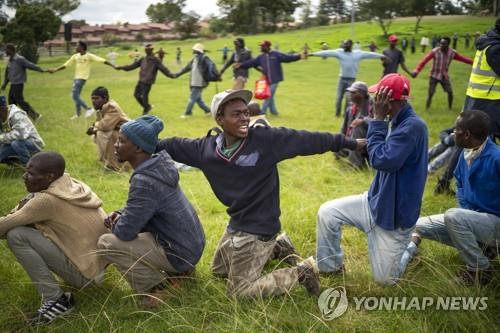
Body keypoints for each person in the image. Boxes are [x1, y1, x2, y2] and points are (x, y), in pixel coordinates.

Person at [156, 89, 365, 298]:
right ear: (220, 118)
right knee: (219, 272)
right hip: (237, 223)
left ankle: (302, 273)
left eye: (246, 112)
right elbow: (172, 145)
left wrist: (351, 143)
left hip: (260, 227)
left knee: (238, 292)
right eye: (236, 114)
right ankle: (279, 247)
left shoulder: (265, 140)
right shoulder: (205, 149)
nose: (245, 118)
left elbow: (308, 139)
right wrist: (140, 141)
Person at [316, 74, 428, 284]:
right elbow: (382, 151)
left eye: (379, 96)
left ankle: (411, 244)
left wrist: (377, 120)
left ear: (390, 99)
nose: (376, 100)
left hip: (393, 218)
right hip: (374, 203)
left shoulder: (412, 127)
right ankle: (331, 268)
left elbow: (382, 161)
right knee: (327, 212)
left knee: (385, 280)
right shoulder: (397, 122)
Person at [97, 115, 205, 307]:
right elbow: (148, 206)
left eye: (121, 140)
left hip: (179, 253)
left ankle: (157, 288)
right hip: (190, 245)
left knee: (107, 242)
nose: (115, 144)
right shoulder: (159, 165)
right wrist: (122, 214)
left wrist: (117, 222)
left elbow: (125, 232)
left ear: (138, 148)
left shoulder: (145, 180)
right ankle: (181, 274)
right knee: (129, 228)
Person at [0, 152, 107, 324]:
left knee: (16, 235)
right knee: (27, 228)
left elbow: (3, 227)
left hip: (86, 276)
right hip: (100, 266)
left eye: (31, 173)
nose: (24, 176)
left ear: (50, 176)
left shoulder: (46, 200)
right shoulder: (69, 183)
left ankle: (55, 299)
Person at [400, 110, 499, 285]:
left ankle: (480, 270)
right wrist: (471, 214)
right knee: (419, 225)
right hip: (475, 220)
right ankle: (484, 248)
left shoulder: (496, 157)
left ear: (467, 134)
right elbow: (460, 185)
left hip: (496, 224)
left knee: (454, 216)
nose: (453, 133)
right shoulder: (465, 153)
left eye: (456, 129)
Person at [310, 39, 385, 117]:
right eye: (344, 44)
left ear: (351, 45)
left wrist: (382, 56)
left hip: (351, 80)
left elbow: (369, 54)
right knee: (339, 98)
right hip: (342, 79)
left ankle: (346, 114)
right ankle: (337, 114)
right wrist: (313, 54)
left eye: (347, 44)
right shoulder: (340, 52)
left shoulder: (357, 54)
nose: (345, 46)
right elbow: (327, 52)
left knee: (349, 99)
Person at [49, 41, 115, 120]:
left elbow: (102, 60)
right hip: (76, 78)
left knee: (74, 95)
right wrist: (55, 69)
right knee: (77, 96)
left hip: (82, 78)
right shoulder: (75, 56)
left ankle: (88, 109)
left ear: (82, 47)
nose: (75, 47)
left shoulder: (89, 56)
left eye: (77, 46)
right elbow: (66, 65)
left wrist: (113, 66)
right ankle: (78, 114)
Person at [236, 40, 304, 116]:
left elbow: (288, 58)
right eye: (261, 46)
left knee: (268, 95)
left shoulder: (276, 54)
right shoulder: (261, 57)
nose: (261, 48)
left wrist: (298, 56)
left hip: (275, 79)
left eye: (262, 46)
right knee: (270, 95)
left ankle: (262, 112)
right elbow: (251, 63)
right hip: (266, 80)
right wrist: (241, 65)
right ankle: (274, 112)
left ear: (267, 46)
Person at [412, 37, 473, 111]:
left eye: (443, 44)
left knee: (450, 92)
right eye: (440, 43)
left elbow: (464, 59)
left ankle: (450, 109)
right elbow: (424, 61)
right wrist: (416, 70)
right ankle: (427, 109)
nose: (441, 45)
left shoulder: (452, 53)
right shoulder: (435, 51)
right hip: (434, 75)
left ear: (448, 45)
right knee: (430, 93)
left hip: (444, 76)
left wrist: (474, 63)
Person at [464, 18, 500, 141]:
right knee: (477, 143)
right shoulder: (495, 49)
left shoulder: (488, 43)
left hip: (478, 99)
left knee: (472, 142)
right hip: (488, 103)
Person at [115, 44, 175, 115]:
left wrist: (171, 75)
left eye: (147, 49)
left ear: (151, 50)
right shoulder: (143, 59)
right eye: (145, 49)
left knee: (144, 96)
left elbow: (163, 68)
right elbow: (132, 66)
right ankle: (147, 107)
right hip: (141, 80)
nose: (146, 50)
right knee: (136, 95)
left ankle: (145, 111)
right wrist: (121, 67)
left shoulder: (155, 60)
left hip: (148, 81)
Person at [86, 86, 129, 171]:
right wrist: (95, 128)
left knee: (102, 133)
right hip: (121, 134)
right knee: (99, 134)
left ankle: (113, 165)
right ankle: (108, 161)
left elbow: (104, 126)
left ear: (105, 98)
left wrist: (94, 127)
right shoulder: (102, 108)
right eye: (92, 99)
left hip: (128, 136)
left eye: (96, 98)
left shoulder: (112, 107)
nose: (93, 101)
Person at [1, 43, 45, 121]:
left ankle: (36, 116)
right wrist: (5, 84)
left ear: (11, 50)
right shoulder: (10, 60)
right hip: (13, 84)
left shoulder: (19, 59)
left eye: (6, 50)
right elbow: (8, 73)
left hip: (18, 83)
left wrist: (41, 70)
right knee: (11, 101)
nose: (5, 52)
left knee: (19, 100)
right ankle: (12, 119)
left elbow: (30, 65)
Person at [337, 81, 373, 169]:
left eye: (353, 92)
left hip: (369, 142)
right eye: (349, 92)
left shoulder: (373, 104)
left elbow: (380, 122)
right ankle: (358, 157)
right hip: (353, 142)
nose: (350, 94)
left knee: (358, 127)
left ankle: (354, 165)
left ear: (362, 94)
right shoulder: (350, 109)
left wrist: (363, 120)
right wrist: (339, 141)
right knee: (337, 147)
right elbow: (344, 128)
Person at [0, 96, 44, 167]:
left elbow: (21, 135)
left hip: (33, 143)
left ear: (2, 109)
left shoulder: (17, 115)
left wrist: (1, 138)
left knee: (16, 143)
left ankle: (29, 166)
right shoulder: (1, 117)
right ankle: (16, 163)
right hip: (12, 143)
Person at [176, 43, 216, 118]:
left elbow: (210, 68)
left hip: (199, 82)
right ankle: (208, 111)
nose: (193, 51)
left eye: (195, 50)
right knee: (198, 100)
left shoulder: (203, 58)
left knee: (192, 98)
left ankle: (188, 113)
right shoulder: (194, 59)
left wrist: (215, 76)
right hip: (194, 82)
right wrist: (177, 74)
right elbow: (186, 68)